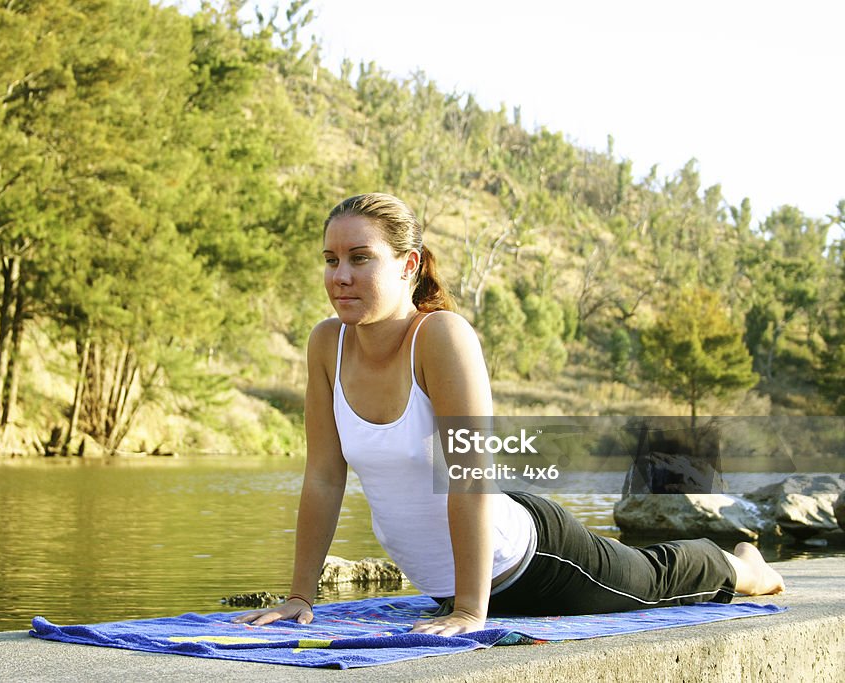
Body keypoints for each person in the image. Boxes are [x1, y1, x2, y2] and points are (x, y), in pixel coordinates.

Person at [233, 193, 785, 636]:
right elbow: (325, 477)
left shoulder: (440, 337)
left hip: (529, 561)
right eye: (331, 260)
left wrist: (472, 612)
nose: (340, 276)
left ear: (409, 265)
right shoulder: (325, 344)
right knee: (638, 565)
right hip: (454, 578)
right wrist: (299, 598)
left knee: (650, 578)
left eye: (360, 258)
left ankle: (742, 566)